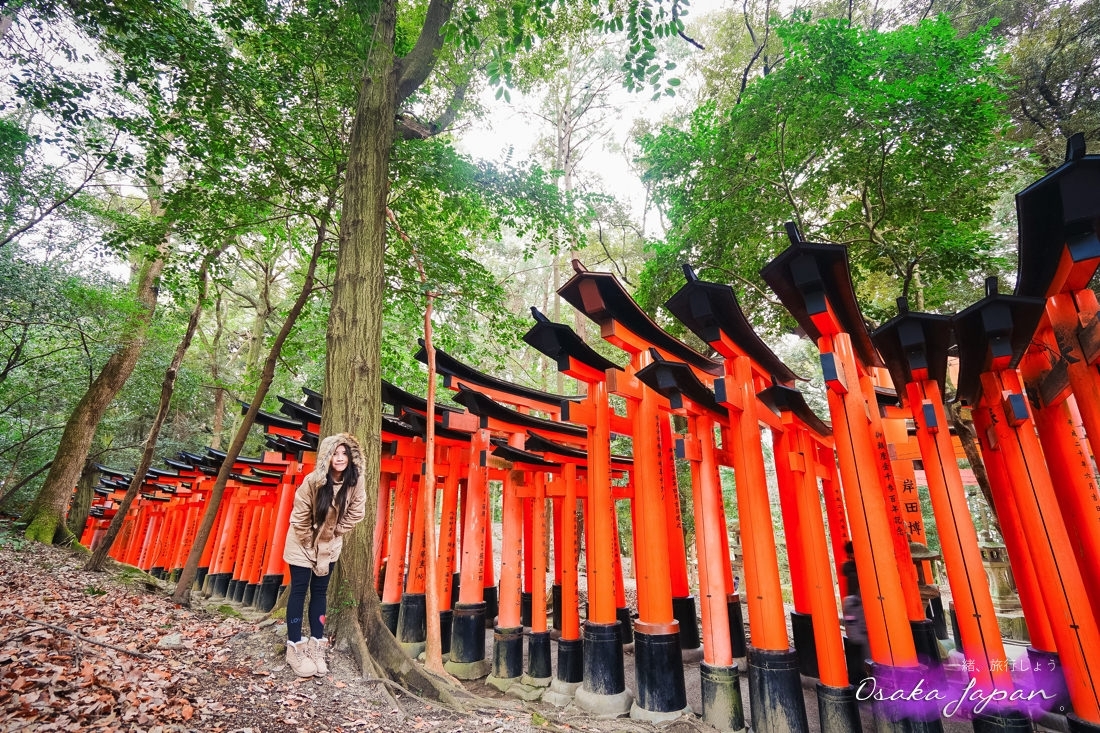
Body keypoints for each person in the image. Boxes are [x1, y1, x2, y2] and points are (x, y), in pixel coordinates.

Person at [282, 433, 367, 677]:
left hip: (330, 544)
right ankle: (295, 647)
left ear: (351, 458)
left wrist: (334, 533)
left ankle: (316, 644)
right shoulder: (313, 480)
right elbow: (299, 518)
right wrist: (311, 542)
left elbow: (357, 511)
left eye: (344, 454)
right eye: (335, 453)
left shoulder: (355, 481)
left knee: (320, 591)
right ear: (326, 457)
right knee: (299, 590)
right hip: (302, 542)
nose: (340, 458)